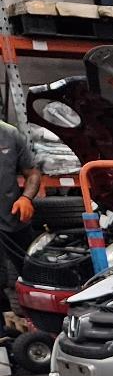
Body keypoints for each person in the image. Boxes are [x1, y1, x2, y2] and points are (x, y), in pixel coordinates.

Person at [0, 117, 41, 313]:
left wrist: (26, 198)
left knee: (32, 270)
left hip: (13, 217)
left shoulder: (10, 134)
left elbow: (32, 173)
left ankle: (39, 322)